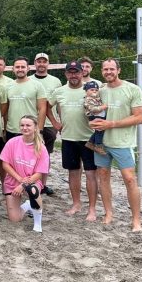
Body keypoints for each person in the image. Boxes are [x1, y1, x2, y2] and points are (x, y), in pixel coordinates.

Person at [91, 58, 142, 231]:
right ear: (101, 72)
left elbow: (139, 117)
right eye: (105, 69)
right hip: (101, 142)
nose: (108, 72)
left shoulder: (132, 89)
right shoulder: (99, 91)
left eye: (111, 69)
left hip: (122, 142)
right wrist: (92, 121)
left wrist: (111, 124)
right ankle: (108, 213)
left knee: (129, 179)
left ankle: (136, 220)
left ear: (119, 70)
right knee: (104, 177)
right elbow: (91, 111)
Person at [50, 61, 99, 221]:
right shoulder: (59, 91)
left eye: (76, 72)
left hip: (89, 138)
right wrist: (55, 123)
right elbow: (45, 105)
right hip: (69, 138)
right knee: (73, 172)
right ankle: (76, 204)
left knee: (91, 174)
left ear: (82, 72)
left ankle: (92, 209)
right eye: (70, 72)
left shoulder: (91, 89)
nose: (73, 75)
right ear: (66, 74)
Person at [0, 115, 49, 233]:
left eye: (28, 125)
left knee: (33, 190)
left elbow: (40, 174)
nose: (25, 128)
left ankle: (37, 224)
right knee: (15, 219)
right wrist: (19, 179)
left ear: (35, 127)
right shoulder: (12, 142)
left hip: (32, 181)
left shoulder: (41, 147)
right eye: (22, 125)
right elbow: (5, 164)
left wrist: (23, 185)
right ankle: (28, 205)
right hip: (13, 181)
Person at [31, 52, 63, 196]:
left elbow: (59, 104)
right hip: (30, 124)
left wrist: (59, 122)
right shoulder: (28, 80)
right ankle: (29, 182)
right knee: (28, 155)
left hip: (49, 125)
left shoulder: (55, 81)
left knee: (45, 156)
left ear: (48, 64)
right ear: (35, 63)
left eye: (44, 61)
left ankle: (42, 185)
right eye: (39, 61)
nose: (41, 64)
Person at [5, 57, 47, 140]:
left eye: (23, 67)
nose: (20, 69)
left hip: (30, 130)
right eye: (17, 67)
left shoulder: (37, 85)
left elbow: (42, 109)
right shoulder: (7, 86)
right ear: (13, 69)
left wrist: (39, 130)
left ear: (28, 69)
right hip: (12, 130)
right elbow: (5, 110)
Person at [83, 81, 108, 154]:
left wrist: (105, 84)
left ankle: (90, 143)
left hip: (100, 116)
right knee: (100, 131)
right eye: (92, 90)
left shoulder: (95, 98)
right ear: (86, 91)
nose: (94, 91)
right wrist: (103, 107)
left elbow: (101, 87)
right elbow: (93, 109)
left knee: (99, 130)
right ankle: (98, 146)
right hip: (94, 116)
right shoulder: (88, 100)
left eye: (96, 90)